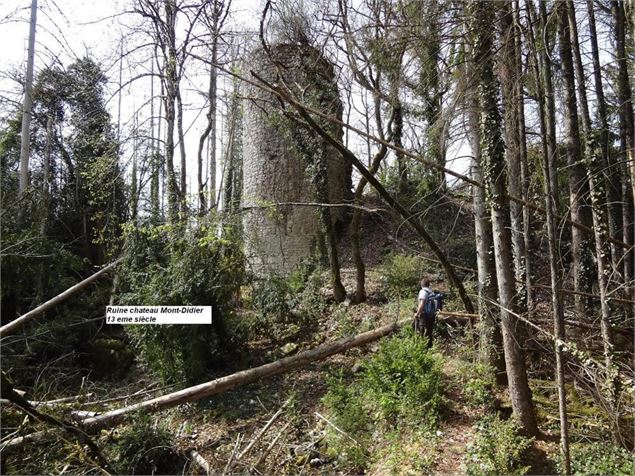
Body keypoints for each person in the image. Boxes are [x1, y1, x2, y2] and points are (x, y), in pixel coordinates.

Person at [413, 276, 435, 348]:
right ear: (428, 284)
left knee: (422, 331)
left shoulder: (423, 292)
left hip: (425, 315)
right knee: (429, 332)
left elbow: (422, 304)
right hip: (432, 315)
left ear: (421, 284)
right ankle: (429, 348)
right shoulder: (431, 292)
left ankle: (422, 349)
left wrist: (417, 313)